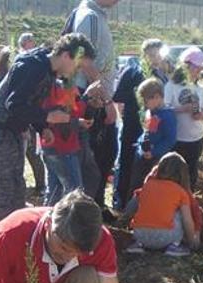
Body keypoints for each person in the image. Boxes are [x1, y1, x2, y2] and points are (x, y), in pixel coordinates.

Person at [0, 33, 96, 225]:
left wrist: (42, 128)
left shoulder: (50, 69)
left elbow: (33, 101)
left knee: (17, 186)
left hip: (15, 130)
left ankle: (16, 234)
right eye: (78, 66)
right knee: (2, 190)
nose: (78, 72)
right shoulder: (33, 66)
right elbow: (14, 105)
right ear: (67, 56)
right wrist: (47, 117)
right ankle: (0, 240)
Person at [69, 0, 120, 206]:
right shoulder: (89, 16)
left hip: (97, 97)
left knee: (104, 156)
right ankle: (86, 210)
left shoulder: (97, 16)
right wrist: (106, 100)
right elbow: (83, 59)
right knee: (92, 162)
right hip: (90, 99)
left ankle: (96, 206)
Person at [121, 152, 201, 256]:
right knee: (180, 211)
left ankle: (138, 245)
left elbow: (131, 207)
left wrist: (124, 220)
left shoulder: (147, 186)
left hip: (140, 235)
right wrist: (192, 241)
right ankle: (174, 246)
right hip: (166, 237)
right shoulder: (181, 192)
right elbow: (187, 220)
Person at [165, 46, 203, 190]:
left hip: (196, 139)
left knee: (191, 174)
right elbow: (163, 112)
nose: (199, 71)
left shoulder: (200, 89)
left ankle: (188, 203)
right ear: (185, 65)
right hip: (177, 139)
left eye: (200, 68)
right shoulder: (171, 86)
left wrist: (200, 115)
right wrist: (182, 109)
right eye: (196, 67)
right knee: (175, 174)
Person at [40, 78, 90, 206]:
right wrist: (85, 98)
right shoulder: (59, 87)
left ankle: (46, 222)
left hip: (53, 147)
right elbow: (56, 117)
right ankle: (68, 224)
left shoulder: (61, 85)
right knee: (74, 193)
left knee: (54, 191)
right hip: (62, 147)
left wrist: (86, 100)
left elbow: (75, 111)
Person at [112, 43, 146, 210]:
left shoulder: (161, 72)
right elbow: (117, 95)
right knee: (126, 162)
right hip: (132, 125)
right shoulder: (132, 71)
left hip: (152, 127)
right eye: (151, 54)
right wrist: (137, 97)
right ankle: (121, 202)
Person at [131, 77, 176, 193]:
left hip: (156, 159)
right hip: (143, 156)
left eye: (146, 101)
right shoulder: (149, 112)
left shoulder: (167, 116)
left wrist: (154, 151)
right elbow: (146, 132)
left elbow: (170, 140)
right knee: (137, 185)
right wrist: (141, 145)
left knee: (151, 187)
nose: (145, 104)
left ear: (157, 97)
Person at [18, 33, 46, 195]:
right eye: (29, 42)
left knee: (34, 153)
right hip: (23, 118)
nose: (32, 44)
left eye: (32, 42)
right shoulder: (22, 62)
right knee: (22, 154)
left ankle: (41, 185)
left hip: (33, 118)